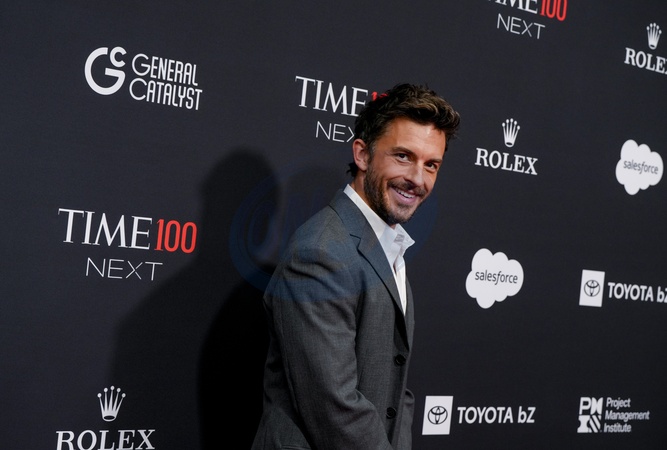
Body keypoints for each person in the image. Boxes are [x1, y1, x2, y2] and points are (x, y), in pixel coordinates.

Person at [251, 83, 460, 450]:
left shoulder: (387, 242)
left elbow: (395, 390)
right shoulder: (321, 252)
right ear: (363, 154)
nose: (418, 179)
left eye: (431, 165)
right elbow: (332, 408)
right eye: (403, 156)